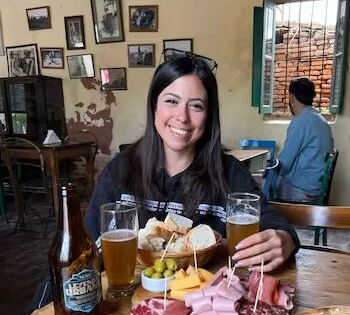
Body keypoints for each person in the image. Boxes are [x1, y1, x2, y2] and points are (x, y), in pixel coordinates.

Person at [85, 52, 299, 272]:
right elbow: (88, 245)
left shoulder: (229, 173)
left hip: (203, 299)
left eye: (196, 106)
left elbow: (270, 220)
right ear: (154, 105)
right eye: (171, 101)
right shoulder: (120, 169)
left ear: (209, 115)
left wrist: (284, 238)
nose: (182, 117)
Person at [275, 77, 334, 201]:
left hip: (302, 189)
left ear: (291, 97)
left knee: (261, 187)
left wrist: (267, 172)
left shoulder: (300, 122)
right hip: (316, 187)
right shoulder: (321, 120)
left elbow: (284, 163)